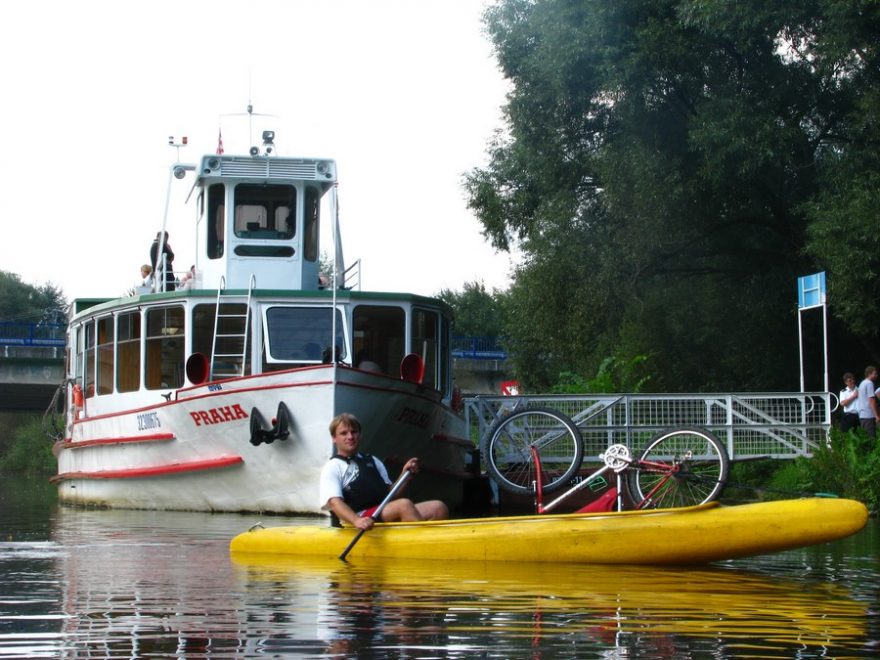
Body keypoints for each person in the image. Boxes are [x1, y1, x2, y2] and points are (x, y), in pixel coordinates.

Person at [318, 412, 448, 529]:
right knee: (404, 505)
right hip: (356, 518)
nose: (350, 436)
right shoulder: (333, 466)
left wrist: (405, 475)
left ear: (360, 435)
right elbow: (334, 503)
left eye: (354, 431)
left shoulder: (372, 460)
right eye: (344, 433)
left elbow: (390, 495)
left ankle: (431, 544)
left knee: (437, 507)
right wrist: (357, 521)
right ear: (334, 438)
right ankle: (420, 548)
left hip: (381, 511)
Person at [856, 366, 880, 439]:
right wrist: (876, 415)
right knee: (871, 438)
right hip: (869, 415)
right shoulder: (869, 383)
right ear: (869, 374)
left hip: (862, 414)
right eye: (875, 374)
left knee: (865, 437)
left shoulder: (862, 383)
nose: (877, 375)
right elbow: (871, 400)